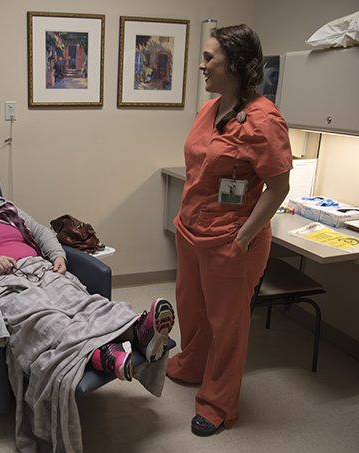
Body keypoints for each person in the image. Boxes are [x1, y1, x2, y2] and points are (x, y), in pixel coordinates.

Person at [0, 156, 175, 452]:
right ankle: (103, 353)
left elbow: (40, 231)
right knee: (43, 317)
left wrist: (57, 255)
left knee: (84, 302)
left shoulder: (2, 206)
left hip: (39, 267)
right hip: (0, 279)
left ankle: (136, 331)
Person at [166, 24, 293, 437]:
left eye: (209, 58)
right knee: (193, 308)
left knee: (228, 325)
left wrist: (242, 238)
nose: (201, 66)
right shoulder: (211, 107)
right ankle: (192, 364)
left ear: (236, 64)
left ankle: (218, 404)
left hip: (230, 239)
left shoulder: (265, 120)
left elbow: (278, 187)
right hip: (191, 230)